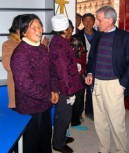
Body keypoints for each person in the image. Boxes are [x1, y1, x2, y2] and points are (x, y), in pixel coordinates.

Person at [85, 6, 129, 152]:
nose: (96, 23)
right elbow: (92, 57)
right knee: (100, 121)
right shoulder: (97, 35)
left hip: (114, 84)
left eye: (99, 20)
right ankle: (104, 149)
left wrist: (122, 85)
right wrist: (89, 73)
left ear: (109, 20)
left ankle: (122, 150)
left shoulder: (125, 37)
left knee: (117, 123)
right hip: (97, 83)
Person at [11, 14, 58, 152]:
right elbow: (25, 85)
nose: (39, 30)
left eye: (40, 26)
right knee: (30, 144)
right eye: (34, 27)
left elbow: (52, 72)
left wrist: (55, 89)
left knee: (45, 139)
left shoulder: (43, 48)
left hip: (45, 103)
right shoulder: (20, 53)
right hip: (29, 106)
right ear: (24, 31)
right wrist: (48, 95)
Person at [49, 15, 84, 153]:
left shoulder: (58, 41)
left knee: (63, 115)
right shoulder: (60, 44)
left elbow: (64, 64)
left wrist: (75, 66)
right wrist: (69, 93)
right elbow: (63, 71)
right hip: (64, 87)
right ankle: (58, 143)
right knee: (64, 116)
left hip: (63, 84)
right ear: (65, 29)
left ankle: (61, 137)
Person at [72, 12, 96, 121]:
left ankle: (90, 112)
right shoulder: (77, 36)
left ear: (94, 22)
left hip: (95, 67)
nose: (88, 23)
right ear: (82, 22)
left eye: (90, 20)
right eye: (85, 20)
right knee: (80, 93)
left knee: (93, 91)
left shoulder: (99, 35)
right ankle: (78, 114)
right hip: (81, 68)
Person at [2, 14, 23, 109]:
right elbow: (8, 65)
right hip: (19, 95)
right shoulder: (8, 44)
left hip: (33, 93)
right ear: (17, 28)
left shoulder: (28, 42)